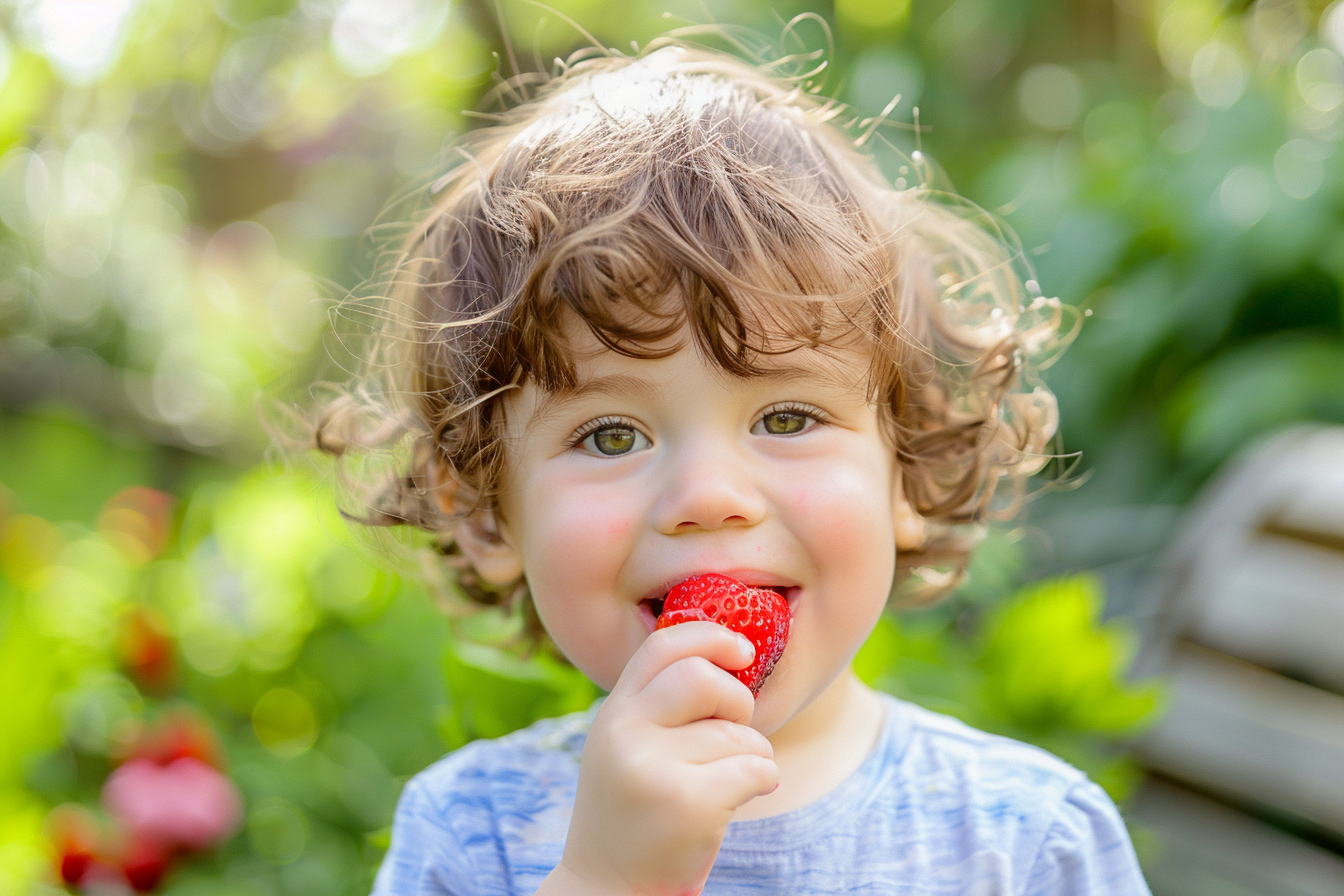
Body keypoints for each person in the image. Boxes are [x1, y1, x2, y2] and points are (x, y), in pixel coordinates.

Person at [314, 40, 1151, 896]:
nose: (710, 498)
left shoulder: (1028, 843)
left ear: (903, 466)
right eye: (610, 436)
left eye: (787, 418)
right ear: (487, 514)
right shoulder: (469, 837)